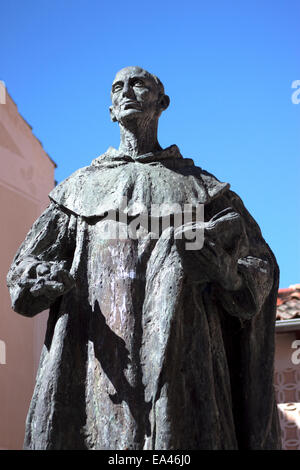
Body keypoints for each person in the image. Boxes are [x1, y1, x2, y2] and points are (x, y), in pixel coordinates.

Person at [7, 66, 281, 450]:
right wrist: (37, 277)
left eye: (139, 84)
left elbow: (261, 264)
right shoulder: (78, 190)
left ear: (162, 102)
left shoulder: (203, 188)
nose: (127, 92)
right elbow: (25, 266)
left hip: (186, 363)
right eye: (118, 87)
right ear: (110, 110)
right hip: (99, 363)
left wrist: (230, 275)